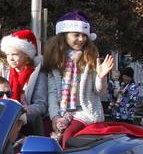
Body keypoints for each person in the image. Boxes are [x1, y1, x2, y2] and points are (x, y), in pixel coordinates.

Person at [42, 10, 114, 146]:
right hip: (62, 111)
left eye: (84, 35)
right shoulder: (55, 62)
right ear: (64, 36)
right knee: (45, 134)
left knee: (68, 137)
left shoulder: (89, 58)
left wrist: (101, 77)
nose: (81, 39)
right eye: (76, 35)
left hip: (83, 112)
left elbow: (99, 91)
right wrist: (55, 117)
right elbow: (52, 94)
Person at [0, 29, 48, 135]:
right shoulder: (5, 72)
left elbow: (41, 105)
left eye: (15, 54)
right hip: (7, 119)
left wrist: (25, 110)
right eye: (8, 55)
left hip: (28, 124)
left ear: (26, 55)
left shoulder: (38, 74)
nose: (10, 59)